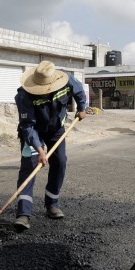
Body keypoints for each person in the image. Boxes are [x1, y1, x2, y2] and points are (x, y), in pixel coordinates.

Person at [13, 61, 88, 232]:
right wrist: (40, 150)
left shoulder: (67, 80)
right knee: (30, 167)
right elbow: (27, 126)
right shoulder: (24, 95)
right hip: (34, 132)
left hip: (56, 129)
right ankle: (23, 214)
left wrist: (82, 108)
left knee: (60, 162)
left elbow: (79, 92)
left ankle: (52, 204)